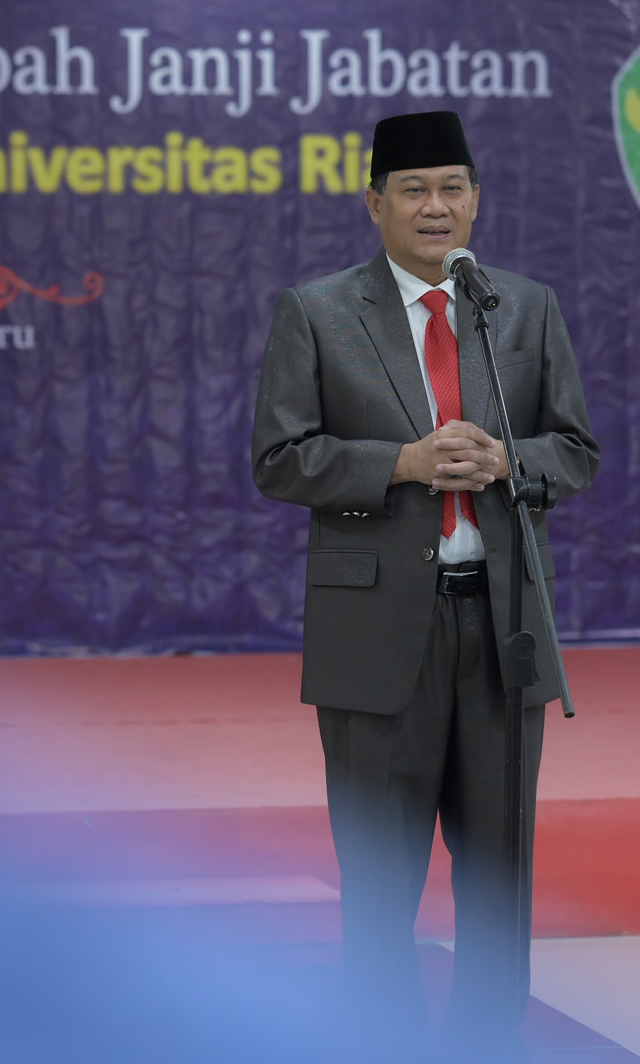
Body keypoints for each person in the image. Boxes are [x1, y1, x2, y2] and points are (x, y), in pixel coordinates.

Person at [250, 110, 599, 1058]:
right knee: (379, 877)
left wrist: (509, 460)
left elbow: (575, 448)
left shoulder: (521, 307)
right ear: (375, 204)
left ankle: (489, 1042)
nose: (434, 206)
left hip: (502, 627)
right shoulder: (318, 311)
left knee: (499, 872)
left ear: (476, 199)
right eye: (413, 190)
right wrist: (400, 463)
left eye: (451, 188)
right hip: (375, 634)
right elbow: (278, 458)